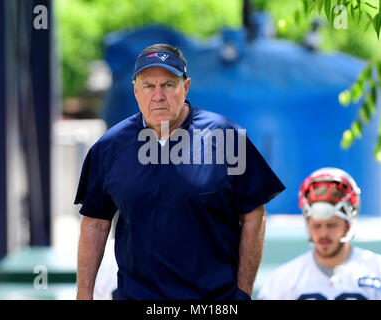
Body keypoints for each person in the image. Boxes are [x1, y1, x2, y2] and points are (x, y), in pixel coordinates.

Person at [74, 43, 285, 300]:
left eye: (168, 85)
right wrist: (84, 296)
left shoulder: (226, 137)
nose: (158, 95)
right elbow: (95, 223)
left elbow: (254, 214)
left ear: (185, 87)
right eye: (148, 86)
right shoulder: (110, 147)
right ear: (136, 90)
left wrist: (243, 292)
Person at [257, 167, 381, 300]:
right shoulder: (284, 280)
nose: (323, 233)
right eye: (317, 225)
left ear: (348, 224)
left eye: (332, 225)